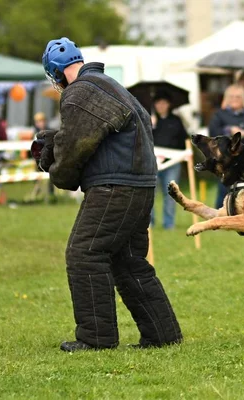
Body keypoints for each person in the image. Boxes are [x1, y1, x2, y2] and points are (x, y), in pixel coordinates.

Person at [38, 37, 182, 352]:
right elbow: (97, 136)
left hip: (115, 187)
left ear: (57, 74)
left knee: (85, 253)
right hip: (141, 185)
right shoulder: (113, 87)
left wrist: (54, 166)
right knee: (128, 261)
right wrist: (54, 142)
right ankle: (162, 333)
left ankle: (96, 337)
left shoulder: (80, 92)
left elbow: (77, 146)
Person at [209, 84, 244, 208]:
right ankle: (219, 217)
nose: (234, 99)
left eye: (238, 97)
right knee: (225, 192)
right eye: (231, 97)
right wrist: (229, 130)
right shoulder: (219, 115)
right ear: (226, 99)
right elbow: (213, 135)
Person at [150, 90, 188, 230]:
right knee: (150, 194)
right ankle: (150, 223)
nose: (161, 106)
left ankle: (169, 224)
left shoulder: (176, 120)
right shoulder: (148, 120)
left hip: (172, 162)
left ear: (169, 104)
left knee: (170, 193)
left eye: (163, 103)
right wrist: (150, 125)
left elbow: (184, 140)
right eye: (158, 103)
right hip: (152, 162)